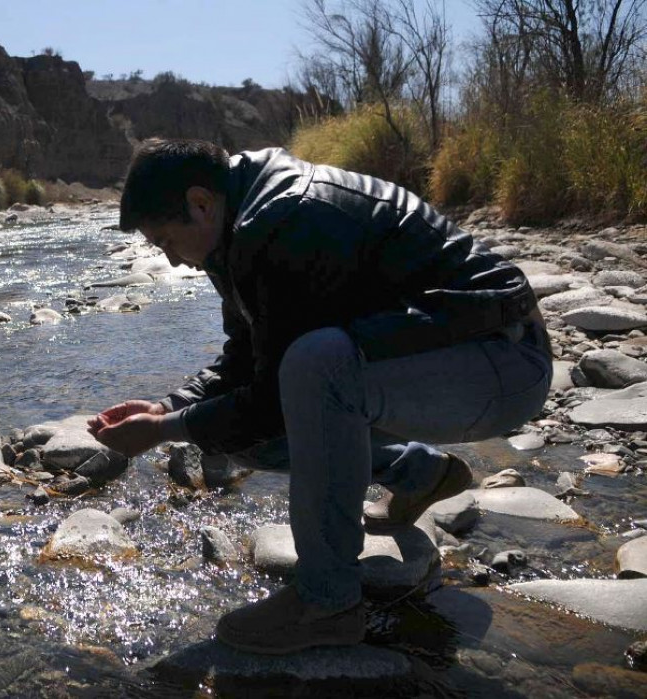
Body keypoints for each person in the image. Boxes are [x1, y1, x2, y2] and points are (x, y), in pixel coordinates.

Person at [87, 138, 552, 655]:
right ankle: (419, 473)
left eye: (166, 241)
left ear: (200, 203)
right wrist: (170, 407)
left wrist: (165, 432)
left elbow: (273, 393)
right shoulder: (236, 226)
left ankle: (327, 602)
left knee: (314, 364)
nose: (172, 261)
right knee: (247, 429)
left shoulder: (289, 220)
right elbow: (248, 358)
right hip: (432, 367)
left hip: (503, 364)